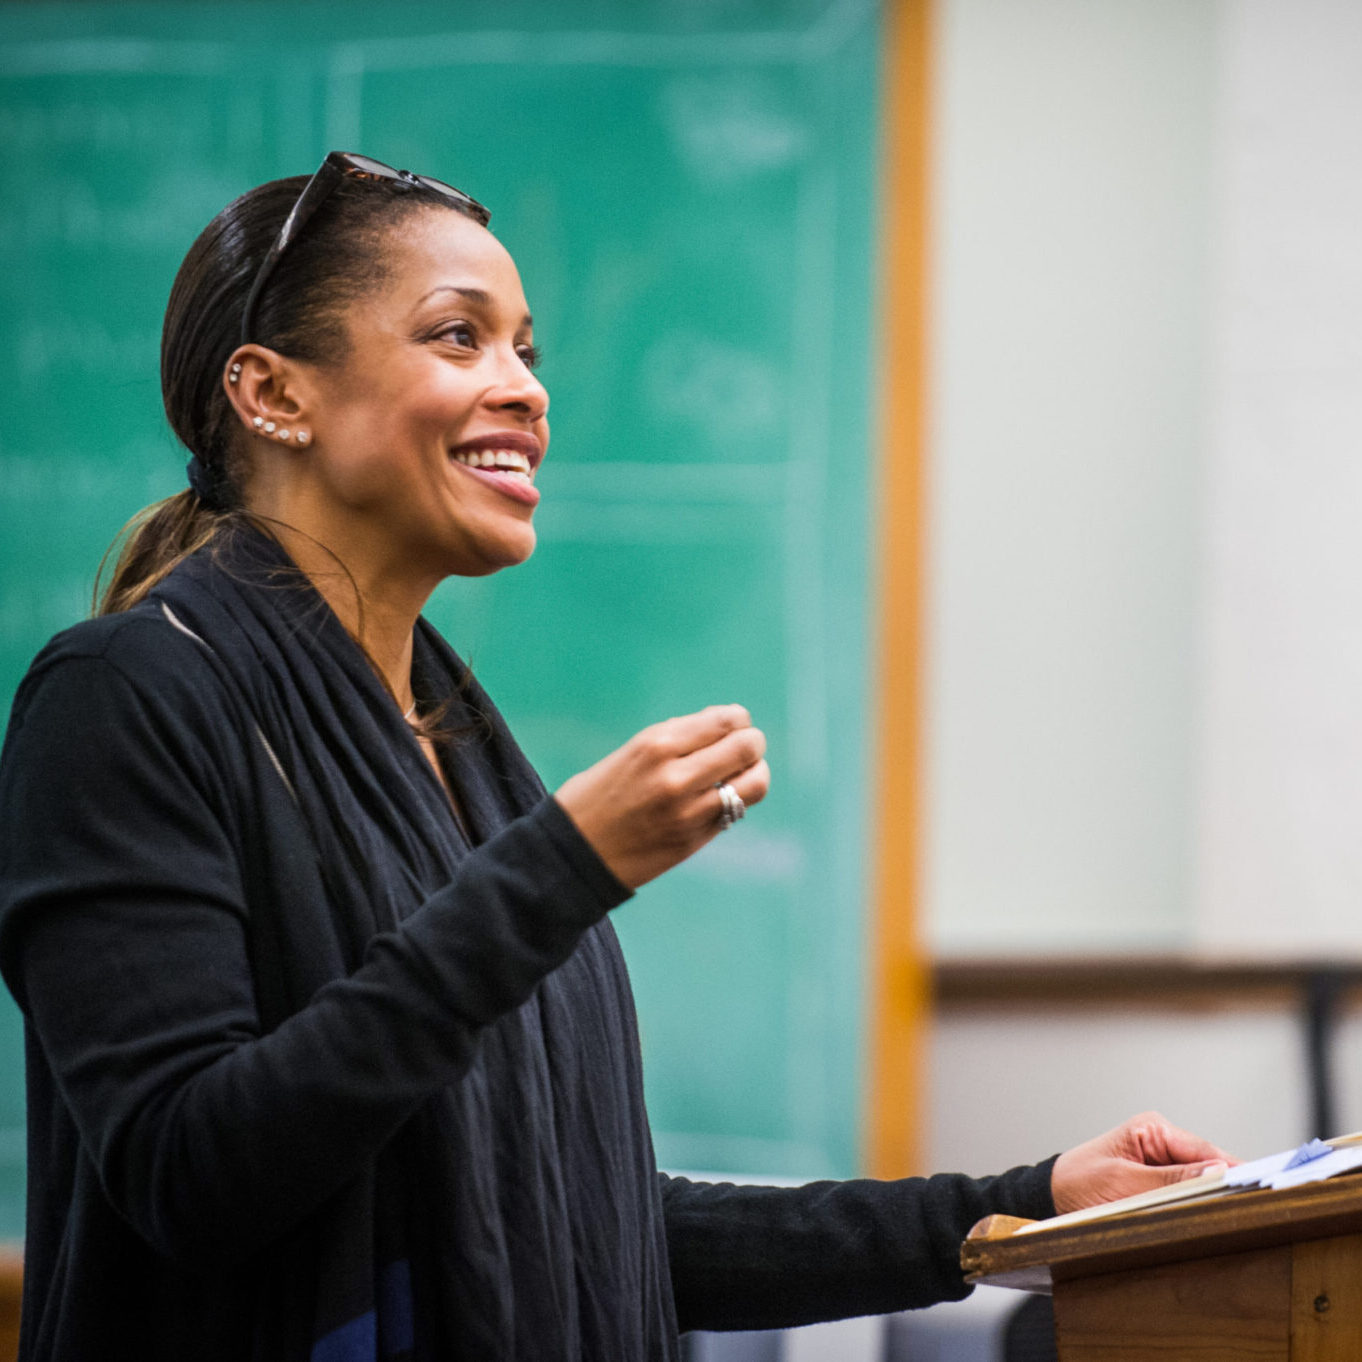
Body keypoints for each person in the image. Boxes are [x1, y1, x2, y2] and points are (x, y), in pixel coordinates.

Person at [0, 153, 1229, 1361]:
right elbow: (190, 1175)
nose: (526, 389)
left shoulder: (453, 743)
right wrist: (558, 874)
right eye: (457, 336)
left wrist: (1022, 1200)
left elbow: (586, 1227)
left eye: (526, 349)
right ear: (275, 395)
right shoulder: (124, 696)